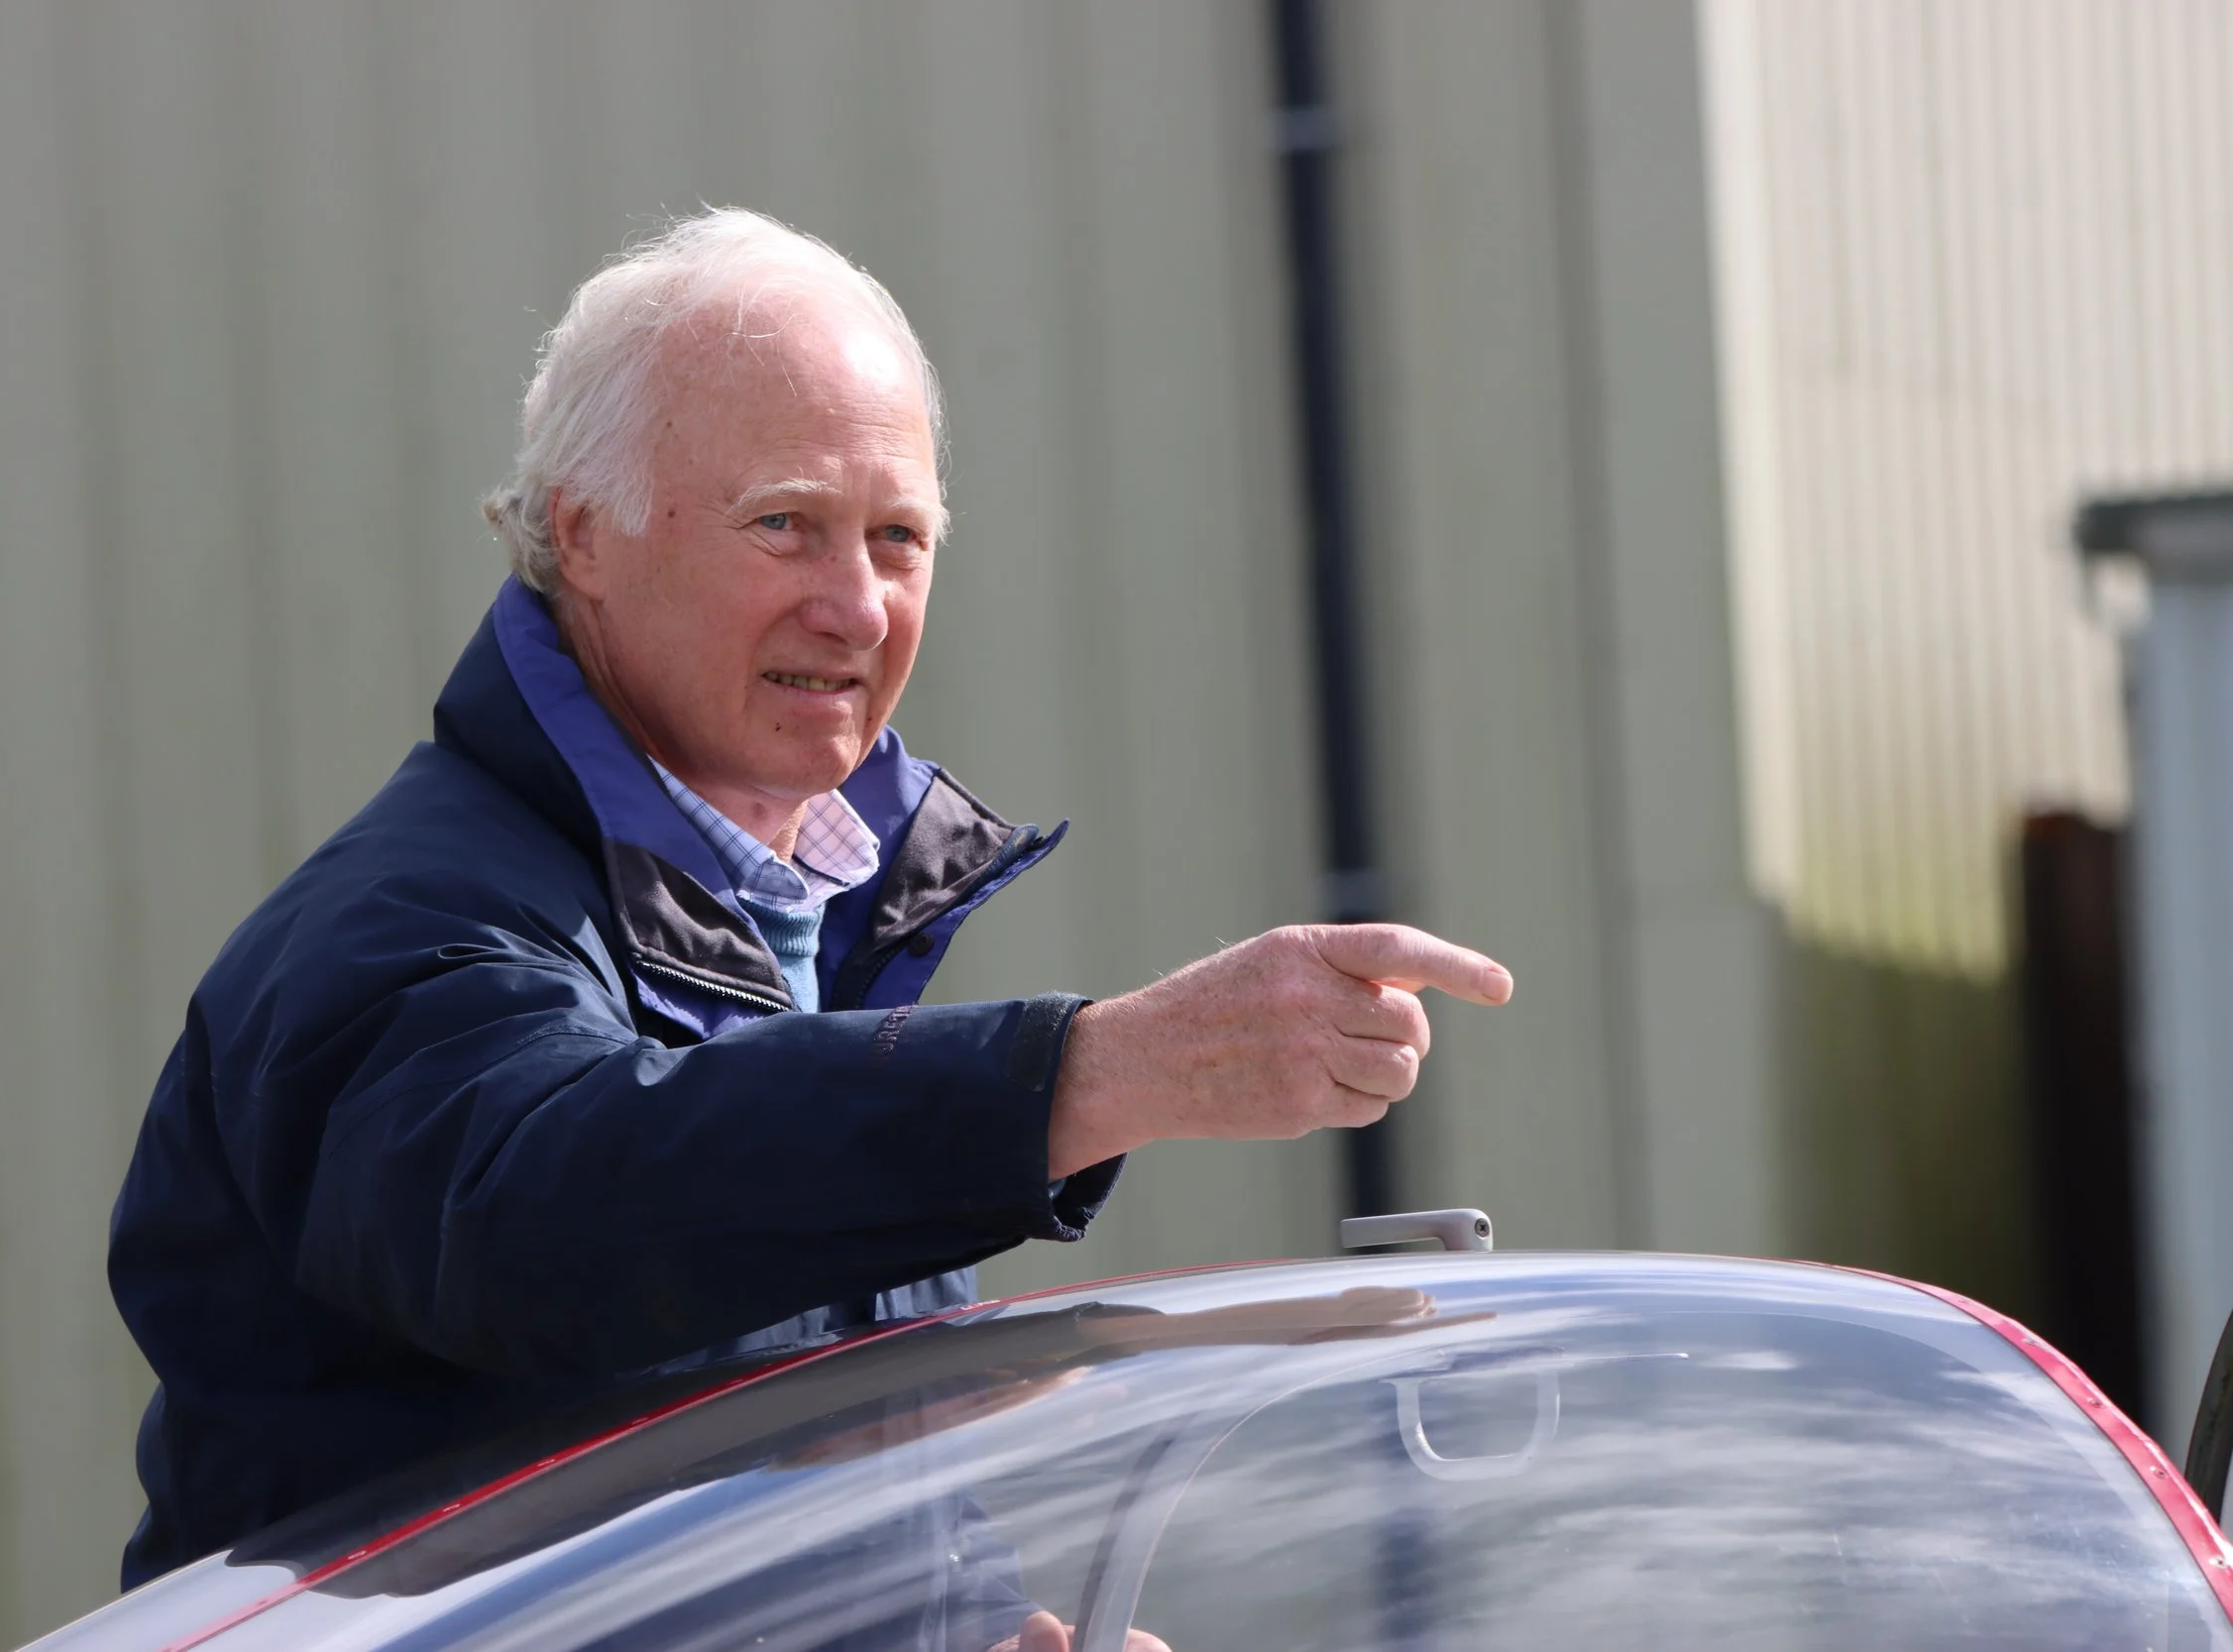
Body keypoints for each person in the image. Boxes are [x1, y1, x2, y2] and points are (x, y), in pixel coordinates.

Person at [107, 207, 1512, 1595]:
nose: (855, 605)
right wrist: (1088, 1072)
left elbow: (814, 1512)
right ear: (583, 537)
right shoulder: (408, 921)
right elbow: (558, 1213)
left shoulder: (804, 923)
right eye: (785, 526)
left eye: (897, 538)